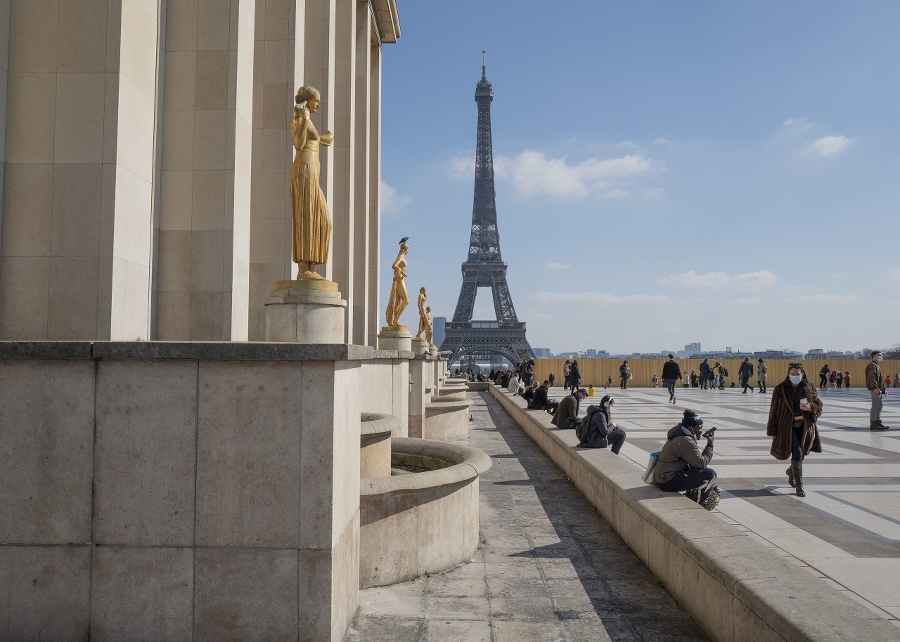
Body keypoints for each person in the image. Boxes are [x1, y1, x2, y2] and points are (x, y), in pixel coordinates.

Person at [290, 86, 334, 280]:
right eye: (315, 100)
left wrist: (327, 137)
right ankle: (304, 269)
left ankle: (312, 266)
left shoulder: (307, 121)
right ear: (306, 100)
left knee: (324, 221)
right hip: (303, 171)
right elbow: (299, 143)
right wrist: (305, 117)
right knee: (306, 217)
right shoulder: (299, 119)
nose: (318, 104)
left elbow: (315, 140)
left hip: (312, 173)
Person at [766, 363, 823, 497]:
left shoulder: (809, 386)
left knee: (802, 454)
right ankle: (799, 486)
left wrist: (811, 408)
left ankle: (791, 471)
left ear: (802, 374)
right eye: (792, 374)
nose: (795, 376)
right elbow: (773, 411)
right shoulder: (780, 389)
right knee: (797, 453)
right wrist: (772, 431)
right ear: (788, 374)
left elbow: (818, 404)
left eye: (797, 374)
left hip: (805, 427)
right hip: (787, 426)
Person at [654, 409, 719, 510]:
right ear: (691, 428)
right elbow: (701, 463)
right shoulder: (685, 440)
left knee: (700, 471)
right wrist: (710, 445)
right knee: (710, 475)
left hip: (665, 477)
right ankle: (698, 508)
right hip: (667, 482)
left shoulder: (682, 435)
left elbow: (696, 464)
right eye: (699, 428)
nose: (701, 431)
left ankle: (692, 497)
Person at [385, 240, 410, 326]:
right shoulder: (401, 257)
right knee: (406, 301)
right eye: (408, 249)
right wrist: (402, 272)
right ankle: (396, 320)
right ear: (406, 249)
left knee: (398, 301)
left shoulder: (401, 256)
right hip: (400, 281)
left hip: (401, 280)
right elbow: (394, 265)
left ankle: (395, 320)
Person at [866, 350, 891, 430]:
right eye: (878, 355)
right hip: (875, 389)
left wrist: (883, 390)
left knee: (880, 405)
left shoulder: (877, 366)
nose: (880, 356)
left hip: (878, 389)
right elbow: (871, 377)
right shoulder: (872, 365)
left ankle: (877, 422)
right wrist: (875, 387)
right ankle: (873, 423)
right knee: (875, 405)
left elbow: (880, 380)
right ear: (873, 356)